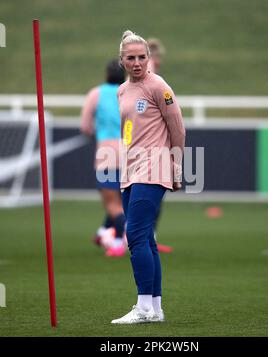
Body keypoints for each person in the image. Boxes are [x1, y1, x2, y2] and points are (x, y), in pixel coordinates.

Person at [111, 30, 185, 324]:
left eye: (142, 57)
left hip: (154, 167)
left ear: (149, 58)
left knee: (137, 236)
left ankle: (142, 307)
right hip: (131, 169)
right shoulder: (122, 91)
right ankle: (155, 309)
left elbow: (177, 127)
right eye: (131, 58)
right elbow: (128, 131)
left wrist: (176, 166)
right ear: (122, 61)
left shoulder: (159, 86)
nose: (138, 62)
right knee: (147, 240)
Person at [80, 59, 127, 257]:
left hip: (106, 154)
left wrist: (95, 135)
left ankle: (118, 242)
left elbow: (85, 127)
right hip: (129, 153)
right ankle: (102, 233)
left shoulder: (96, 94)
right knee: (122, 202)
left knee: (112, 204)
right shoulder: (128, 92)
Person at [147, 37, 173, 254]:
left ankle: (147, 236)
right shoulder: (150, 75)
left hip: (146, 145)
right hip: (147, 148)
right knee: (150, 193)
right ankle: (146, 237)